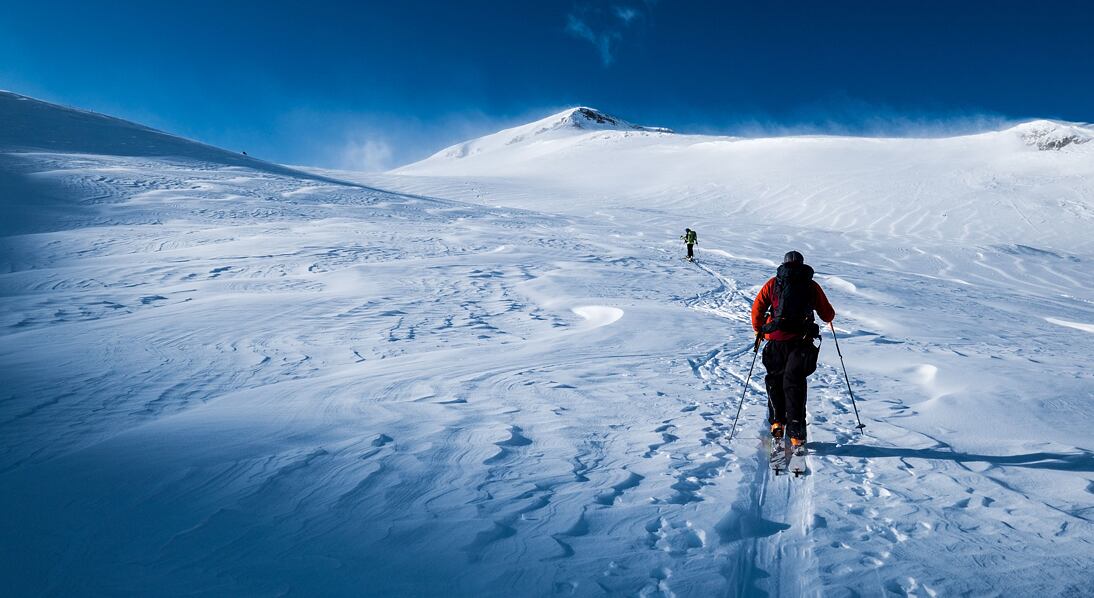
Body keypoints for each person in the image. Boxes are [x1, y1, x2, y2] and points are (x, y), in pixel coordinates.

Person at [750, 250, 835, 448]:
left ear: (784, 264)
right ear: (803, 264)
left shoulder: (773, 283)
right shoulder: (811, 285)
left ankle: (777, 422)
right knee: (794, 384)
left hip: (776, 340)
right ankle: (797, 432)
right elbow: (827, 314)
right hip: (801, 341)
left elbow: (757, 309)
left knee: (775, 380)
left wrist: (759, 330)